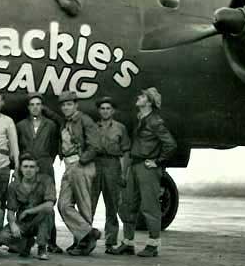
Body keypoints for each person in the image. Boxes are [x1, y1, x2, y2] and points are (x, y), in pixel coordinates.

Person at [110, 88, 177, 257]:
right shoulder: (140, 118)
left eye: (142, 96)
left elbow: (171, 144)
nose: (138, 98)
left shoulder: (155, 121)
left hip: (147, 168)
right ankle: (128, 243)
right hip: (134, 164)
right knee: (128, 204)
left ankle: (153, 245)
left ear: (149, 102)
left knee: (149, 206)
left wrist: (157, 162)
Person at [16, 92, 63, 253]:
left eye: (38, 104)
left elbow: (54, 145)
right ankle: (23, 239)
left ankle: (51, 241)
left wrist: (47, 160)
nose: (35, 107)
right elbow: (18, 147)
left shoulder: (51, 125)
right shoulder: (21, 125)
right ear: (28, 108)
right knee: (23, 198)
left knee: (48, 201)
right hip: (26, 163)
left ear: (42, 106)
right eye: (32, 105)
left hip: (44, 163)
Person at [56, 90, 100, 256]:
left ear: (76, 105)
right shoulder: (66, 122)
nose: (66, 108)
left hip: (81, 165)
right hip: (69, 164)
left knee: (83, 205)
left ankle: (83, 244)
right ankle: (88, 234)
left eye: (69, 104)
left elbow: (94, 144)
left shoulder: (84, 120)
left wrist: (82, 161)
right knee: (63, 205)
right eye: (63, 105)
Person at [0, 153, 56, 260]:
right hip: (23, 222)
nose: (28, 170)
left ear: (37, 169)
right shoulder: (14, 186)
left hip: (40, 219)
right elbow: (10, 210)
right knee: (2, 237)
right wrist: (12, 225)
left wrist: (29, 211)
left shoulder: (46, 181)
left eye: (32, 167)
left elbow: (49, 204)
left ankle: (42, 247)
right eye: (25, 167)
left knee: (48, 212)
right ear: (20, 168)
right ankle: (25, 243)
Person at [91, 97, 130, 254]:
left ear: (112, 111)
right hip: (95, 165)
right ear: (99, 111)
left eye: (108, 108)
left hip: (112, 166)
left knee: (112, 205)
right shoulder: (93, 127)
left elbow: (126, 151)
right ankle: (84, 238)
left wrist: (123, 172)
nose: (105, 111)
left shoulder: (120, 128)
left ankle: (110, 241)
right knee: (89, 204)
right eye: (102, 108)